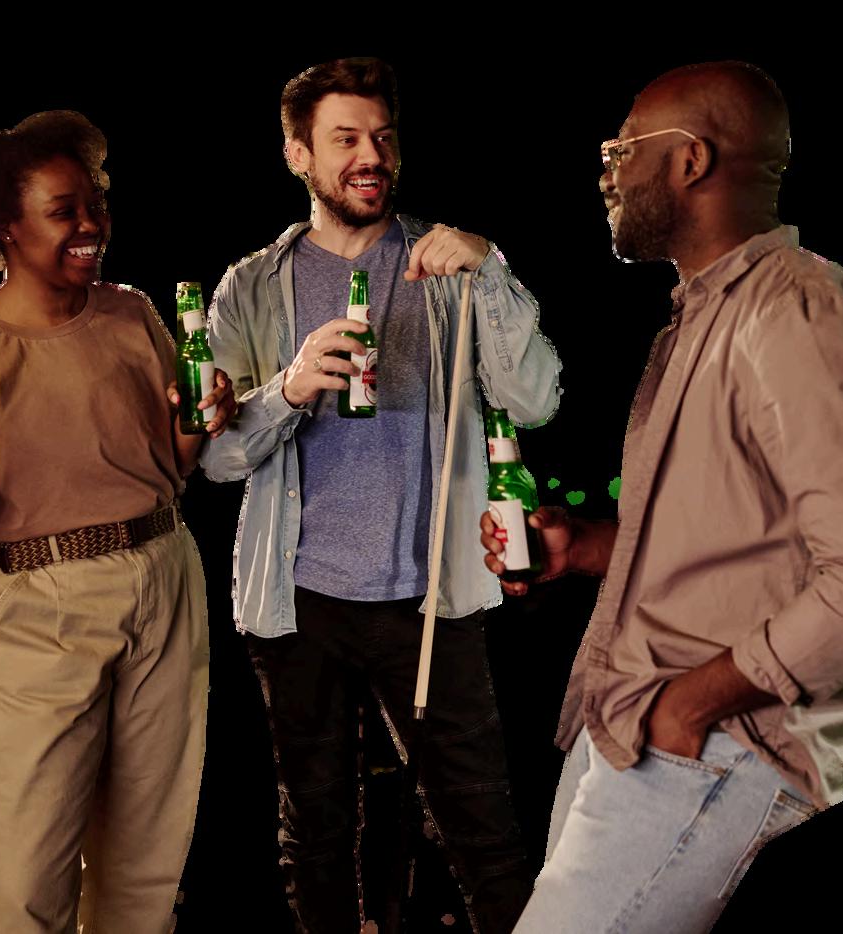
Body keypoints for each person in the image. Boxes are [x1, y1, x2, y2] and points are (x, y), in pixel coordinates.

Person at [480, 61, 843, 933]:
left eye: (622, 149)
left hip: (713, 741)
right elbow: (743, 541)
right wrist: (590, 546)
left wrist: (689, 708)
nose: (608, 172)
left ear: (691, 160)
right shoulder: (705, 314)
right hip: (629, 721)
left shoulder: (797, 312)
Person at [199, 58, 562, 934]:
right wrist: (287, 389)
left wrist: (492, 268)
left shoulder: (452, 262)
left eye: (383, 137)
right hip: (299, 601)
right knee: (316, 833)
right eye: (346, 139)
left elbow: (535, 400)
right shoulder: (251, 286)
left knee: (483, 832)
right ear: (299, 154)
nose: (371, 156)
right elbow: (217, 461)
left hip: (431, 593)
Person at [0, 110, 235, 933]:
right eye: (64, 211)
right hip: (39, 605)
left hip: (164, 576)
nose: (91, 225)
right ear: (3, 228)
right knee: (27, 883)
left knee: (145, 871)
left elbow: (170, 462)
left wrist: (205, 416)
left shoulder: (129, 313)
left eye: (96, 205)